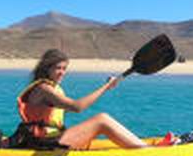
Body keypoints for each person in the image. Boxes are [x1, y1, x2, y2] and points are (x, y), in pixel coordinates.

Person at [13, 49, 149, 150]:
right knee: (102, 120)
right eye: (58, 68)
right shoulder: (44, 89)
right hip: (45, 143)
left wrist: (106, 87)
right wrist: (105, 87)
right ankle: (145, 151)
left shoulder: (50, 88)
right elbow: (77, 107)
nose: (62, 73)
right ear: (47, 68)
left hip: (49, 139)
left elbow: (66, 109)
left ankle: (141, 146)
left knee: (99, 121)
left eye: (64, 69)